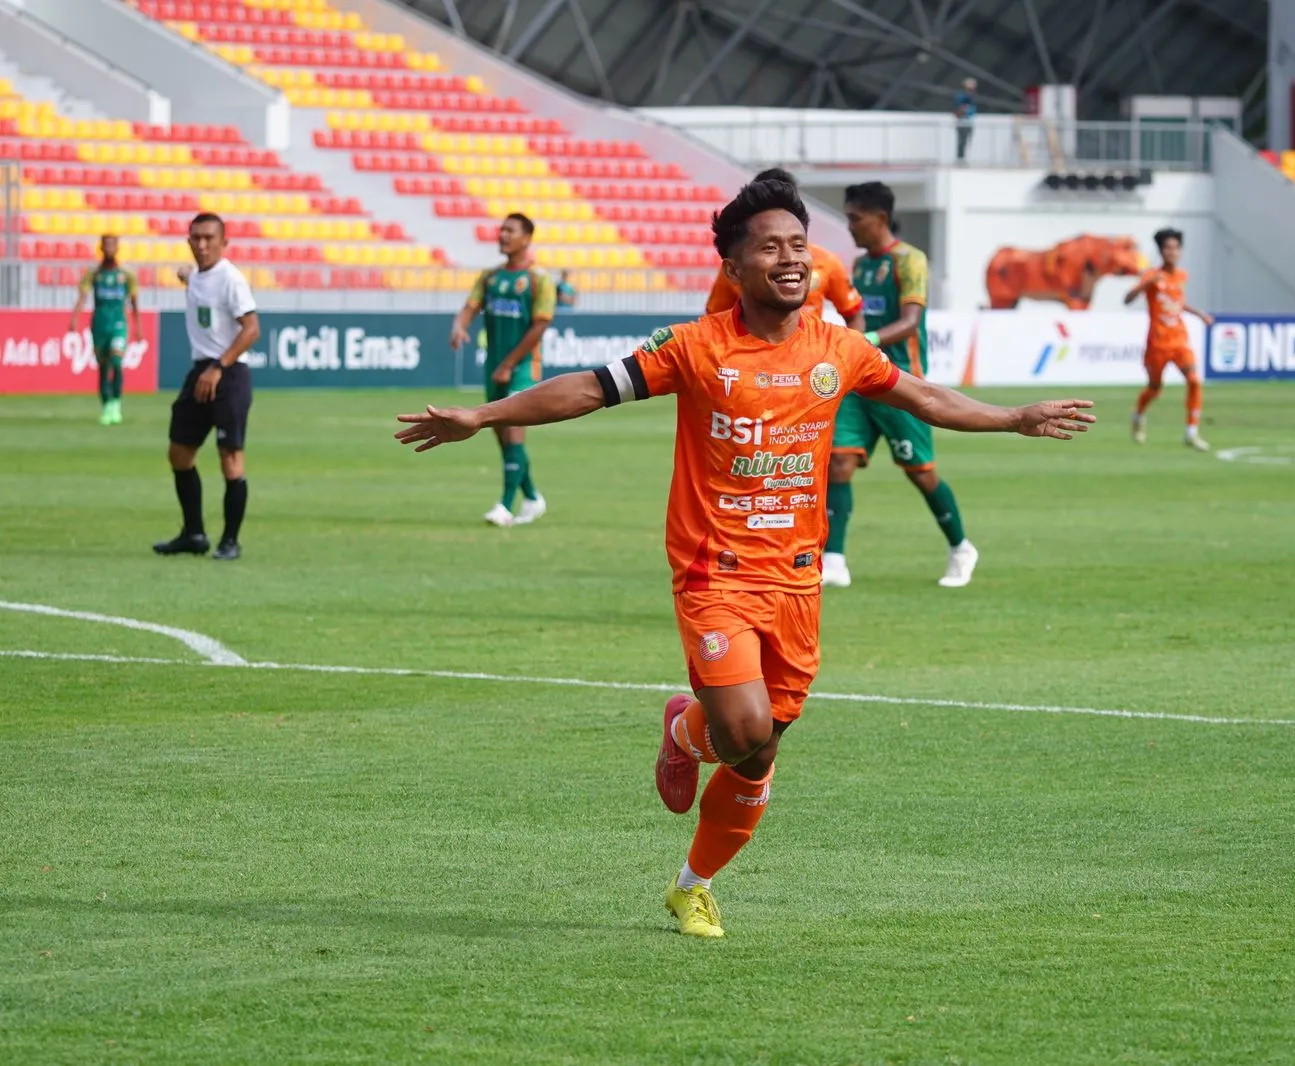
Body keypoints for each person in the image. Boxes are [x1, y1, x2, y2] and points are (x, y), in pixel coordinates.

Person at [395, 178, 1096, 938]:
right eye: (770, 246)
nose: (791, 259)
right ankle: (688, 735)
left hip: (797, 583)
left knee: (758, 754)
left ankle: (690, 881)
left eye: (799, 245)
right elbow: (591, 389)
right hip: (715, 572)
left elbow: (925, 398)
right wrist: (483, 414)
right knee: (741, 730)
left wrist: (1013, 416)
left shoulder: (840, 349)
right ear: (733, 267)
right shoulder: (696, 348)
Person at [824, 181, 978, 589]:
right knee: (838, 462)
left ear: (879, 217)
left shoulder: (910, 261)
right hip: (859, 381)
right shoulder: (859, 266)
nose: (850, 226)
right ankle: (833, 561)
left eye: (855, 218)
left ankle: (961, 547)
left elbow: (911, 321)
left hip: (901, 384)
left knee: (920, 472)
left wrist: (868, 340)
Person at [154, 214, 259, 561]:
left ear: (223, 242)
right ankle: (194, 533)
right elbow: (195, 282)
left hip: (227, 373)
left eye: (209, 238)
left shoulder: (231, 278)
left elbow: (251, 329)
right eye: (196, 238)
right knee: (179, 452)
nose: (202, 244)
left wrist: (219, 367)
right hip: (202, 370)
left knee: (230, 458)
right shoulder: (197, 275)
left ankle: (230, 541)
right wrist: (187, 276)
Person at [450, 213, 557, 527]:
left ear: (527, 237)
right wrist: (459, 326)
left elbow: (540, 326)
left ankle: (505, 507)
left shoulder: (539, 279)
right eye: (501, 230)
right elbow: (470, 307)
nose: (502, 236)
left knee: (513, 431)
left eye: (510, 231)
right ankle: (533, 497)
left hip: (522, 368)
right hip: (495, 368)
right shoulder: (490, 277)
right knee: (503, 437)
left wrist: (510, 364)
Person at [705, 168, 864, 328]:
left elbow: (853, 316)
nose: (789, 259)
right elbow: (715, 319)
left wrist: (857, 348)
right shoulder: (739, 266)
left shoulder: (828, 261)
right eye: (770, 248)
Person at [1126, 228, 1213, 451]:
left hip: (1179, 340)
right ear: (1161, 251)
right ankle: (1138, 415)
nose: (1172, 252)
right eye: (1167, 248)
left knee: (1194, 380)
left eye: (1175, 248)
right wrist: (1146, 284)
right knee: (1155, 388)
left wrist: (1198, 313)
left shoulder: (1182, 276)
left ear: (1180, 251)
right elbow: (1127, 299)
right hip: (1157, 343)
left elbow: (1176, 301)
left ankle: (1191, 432)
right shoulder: (1152, 275)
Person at [68, 234, 142, 426]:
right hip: (99, 324)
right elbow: (83, 297)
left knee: (116, 360)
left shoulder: (127, 275)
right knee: (103, 365)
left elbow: (134, 302)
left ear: (117, 248)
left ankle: (116, 402)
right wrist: (75, 318)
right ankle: (106, 404)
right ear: (101, 248)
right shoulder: (93, 273)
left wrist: (138, 326)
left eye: (112, 245)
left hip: (119, 323)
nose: (109, 248)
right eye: (106, 245)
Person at [954, 78, 977, 163]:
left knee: (967, 139)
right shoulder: (962, 95)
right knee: (962, 139)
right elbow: (959, 108)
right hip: (962, 120)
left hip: (969, 120)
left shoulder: (971, 96)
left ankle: (963, 157)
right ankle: (960, 157)